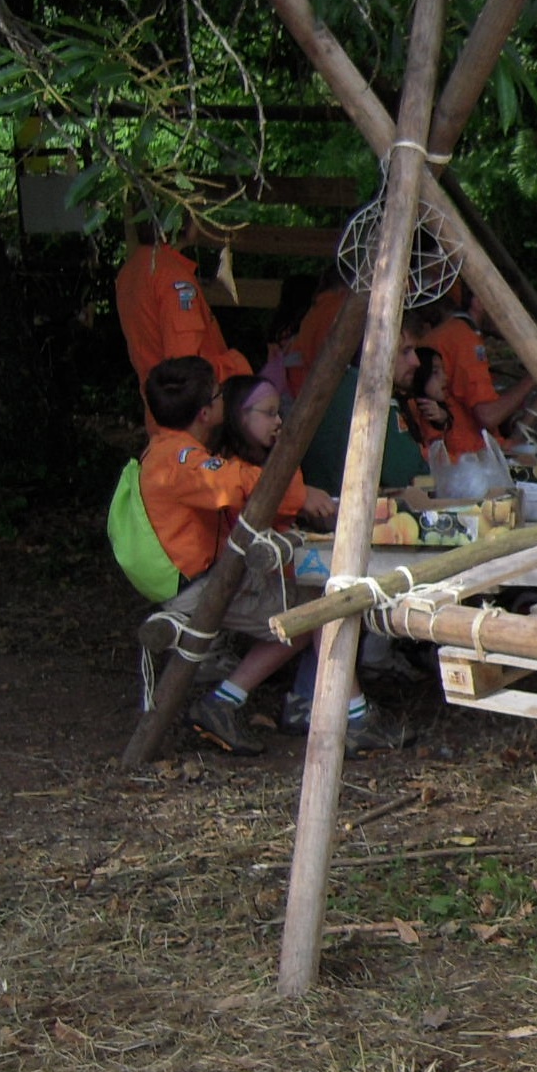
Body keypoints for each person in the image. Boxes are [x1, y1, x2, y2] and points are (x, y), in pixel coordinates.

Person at [138, 358, 408, 754]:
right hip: (199, 589)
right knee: (322, 607)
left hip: (210, 579)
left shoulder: (175, 451)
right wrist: (297, 485)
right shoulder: (179, 460)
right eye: (217, 394)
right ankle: (356, 717)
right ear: (206, 412)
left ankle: (224, 702)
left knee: (308, 610)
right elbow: (232, 485)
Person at [117, 235, 251, 403]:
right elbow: (183, 369)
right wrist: (235, 366)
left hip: (161, 408)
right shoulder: (172, 277)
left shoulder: (132, 268)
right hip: (187, 416)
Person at [301, 342, 428, 494]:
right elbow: (401, 472)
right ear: (376, 351)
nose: (416, 361)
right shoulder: (370, 392)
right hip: (348, 510)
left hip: (325, 507)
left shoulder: (334, 384)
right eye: (405, 351)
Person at [415, 294, 536, 453]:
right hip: (467, 456)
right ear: (478, 301)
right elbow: (488, 416)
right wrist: (536, 377)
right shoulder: (462, 339)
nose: (516, 319)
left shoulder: (452, 333)